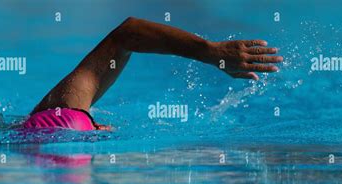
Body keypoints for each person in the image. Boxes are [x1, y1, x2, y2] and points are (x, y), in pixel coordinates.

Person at [23, 17, 283, 131]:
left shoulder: (60, 108)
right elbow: (128, 33)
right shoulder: (63, 105)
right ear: (98, 128)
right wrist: (211, 51)